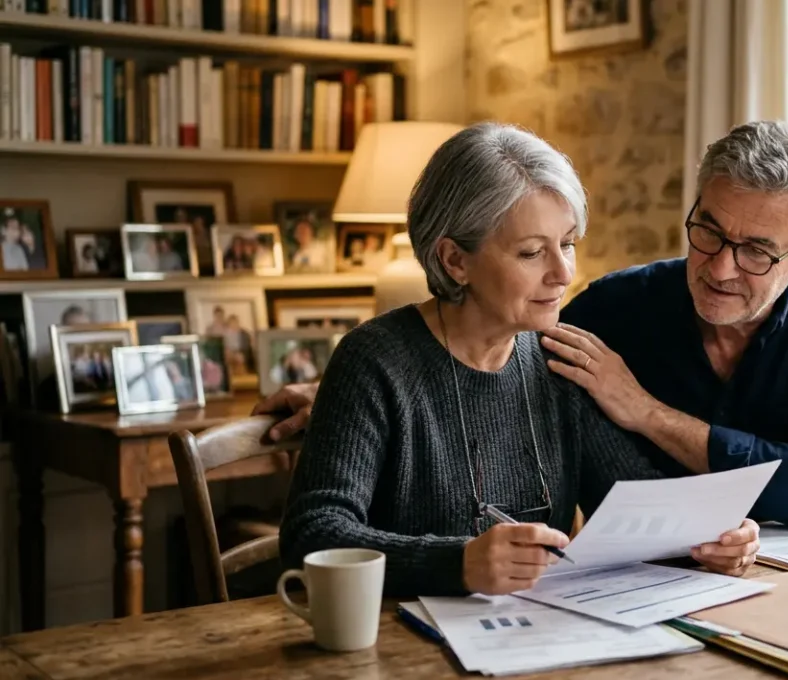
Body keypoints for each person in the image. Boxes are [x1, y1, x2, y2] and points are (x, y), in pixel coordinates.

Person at [256, 121, 788, 534]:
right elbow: (470, 350)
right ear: (454, 259)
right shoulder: (601, 316)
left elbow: (647, 502)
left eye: (756, 251)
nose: (719, 266)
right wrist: (346, 397)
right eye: (709, 231)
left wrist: (709, 534)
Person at [274, 122, 759, 598]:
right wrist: (458, 563)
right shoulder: (374, 360)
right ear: (454, 261)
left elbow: (635, 506)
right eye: (531, 253)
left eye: (567, 244)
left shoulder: (561, 358)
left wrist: (712, 538)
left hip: (531, 638)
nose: (563, 273)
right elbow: (313, 534)